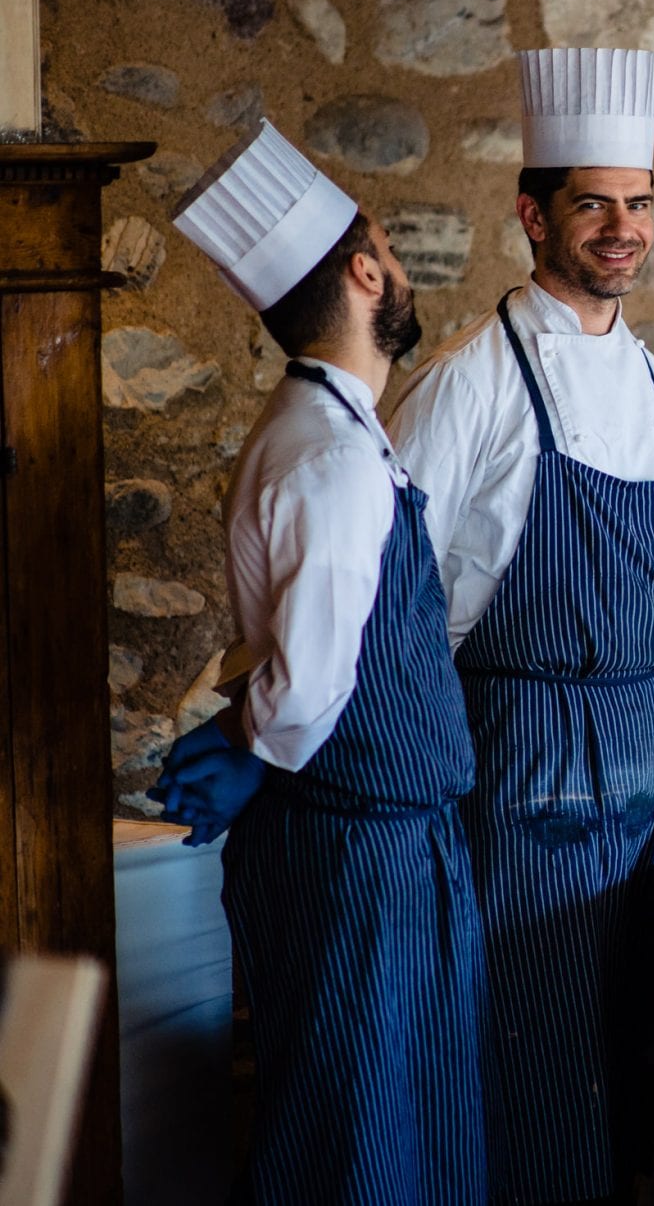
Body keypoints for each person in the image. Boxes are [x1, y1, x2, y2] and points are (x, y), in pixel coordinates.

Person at [152, 120, 487, 1203]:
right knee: (357, 1142)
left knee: (390, 1128)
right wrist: (251, 745)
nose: (394, 264)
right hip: (354, 857)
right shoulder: (333, 456)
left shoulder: (328, 427)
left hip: (377, 846)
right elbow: (303, 694)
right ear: (363, 269)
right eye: (385, 245)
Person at [388, 47, 654, 1204]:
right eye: (593, 204)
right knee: (533, 1036)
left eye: (639, 202)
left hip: (647, 750)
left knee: (644, 1027)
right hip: (521, 754)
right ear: (532, 214)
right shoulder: (470, 383)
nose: (622, 228)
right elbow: (388, 595)